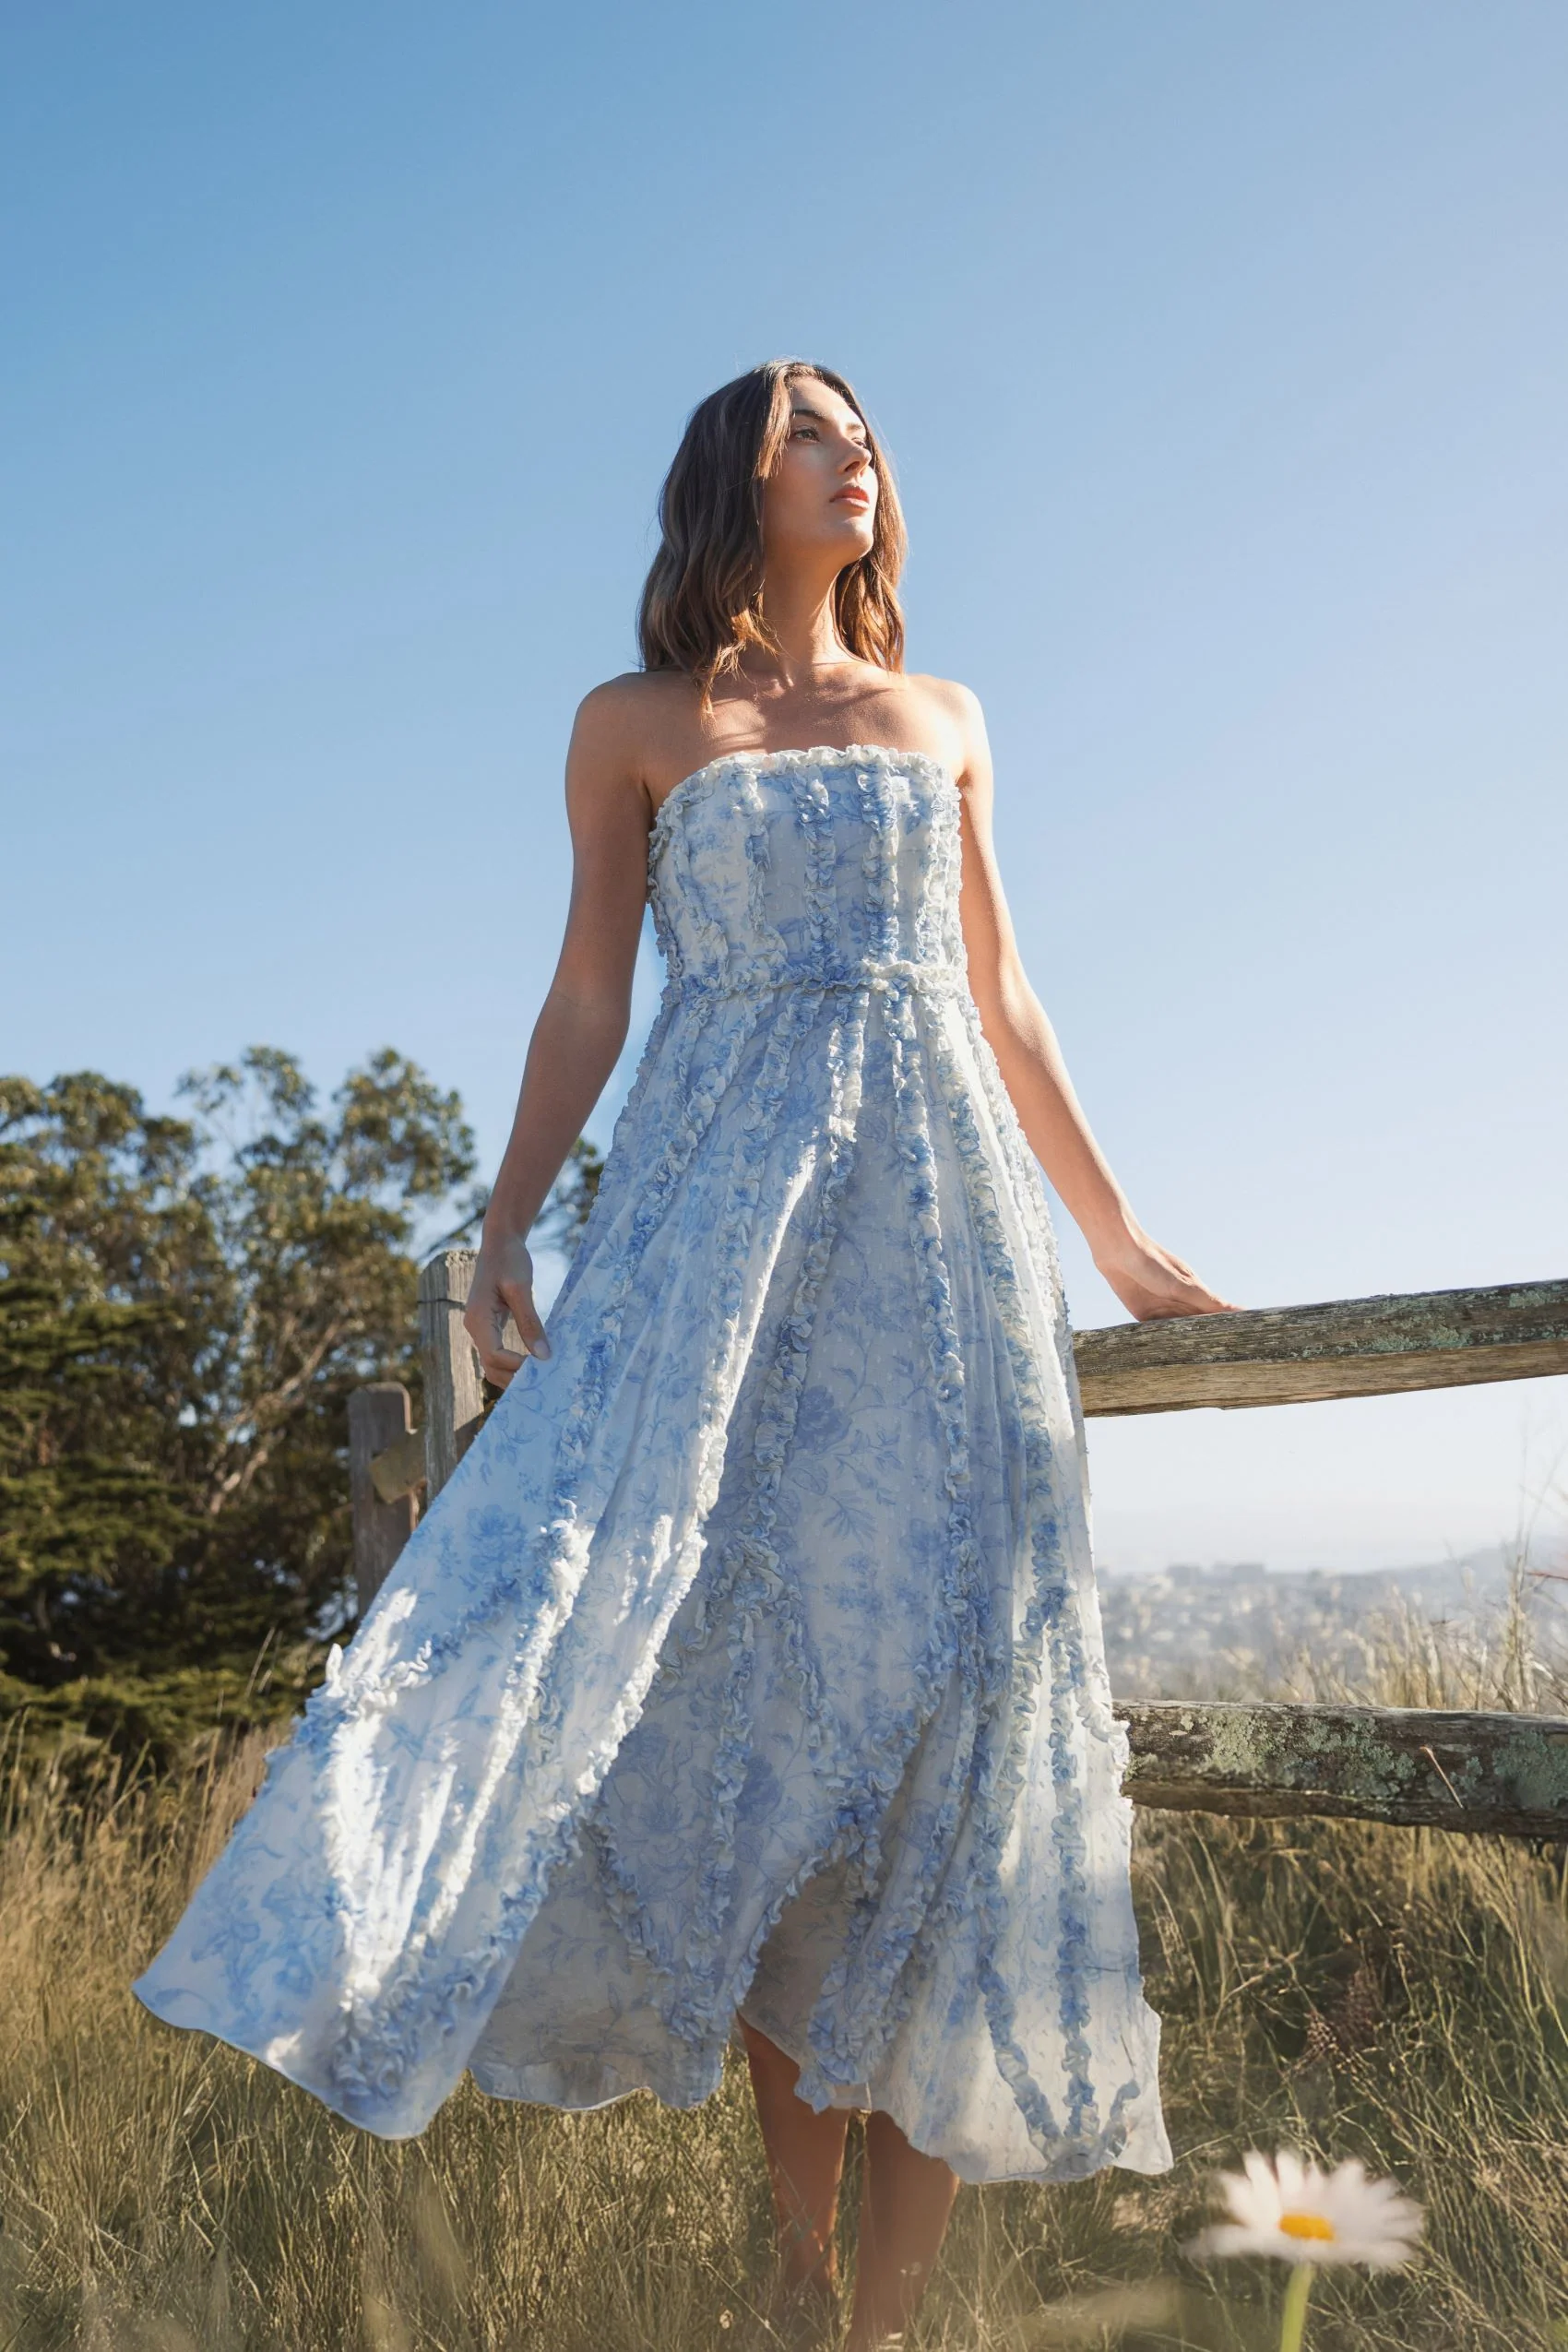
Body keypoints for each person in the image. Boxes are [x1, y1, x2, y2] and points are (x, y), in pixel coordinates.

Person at [137, 359, 1233, 2349]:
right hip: (718, 1243)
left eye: (863, 422)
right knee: (746, 1719)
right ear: (733, 475)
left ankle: (888, 2315)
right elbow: (580, 999)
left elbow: (1000, 994)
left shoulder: (948, 715)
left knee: (955, 1744)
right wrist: (496, 1227)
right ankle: (795, 2269)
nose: (856, 446)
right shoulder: (635, 726)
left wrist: (1114, 1233)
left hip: (941, 1249)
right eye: (811, 422)